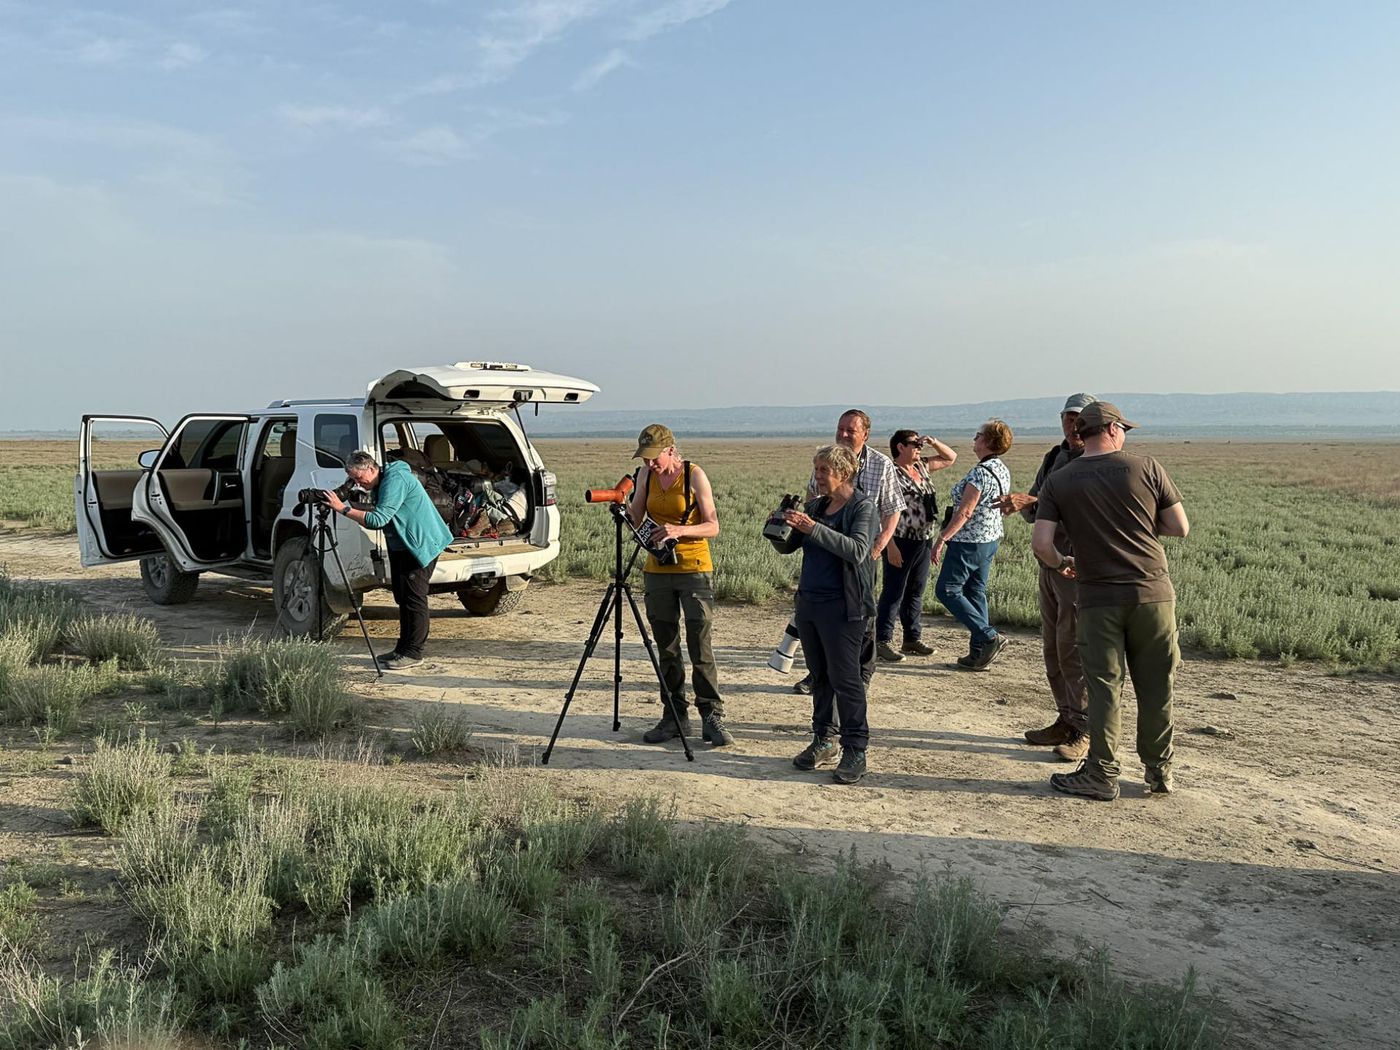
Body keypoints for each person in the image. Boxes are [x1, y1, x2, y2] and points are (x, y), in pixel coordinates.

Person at [1032, 402, 1190, 801]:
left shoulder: (1060, 479)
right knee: (1157, 686)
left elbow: (1041, 544)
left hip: (1098, 596)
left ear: (1081, 433)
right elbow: (1179, 527)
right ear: (1115, 429)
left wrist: (1064, 562)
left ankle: (1101, 773)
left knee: (1104, 688)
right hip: (1152, 594)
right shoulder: (1147, 467)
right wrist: (1135, 522)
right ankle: (1158, 772)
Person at [770, 443, 877, 784]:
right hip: (811, 603)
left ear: (844, 473)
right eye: (816, 469)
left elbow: (858, 551)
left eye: (823, 471)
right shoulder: (816, 506)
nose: (817, 476)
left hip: (845, 606)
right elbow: (788, 548)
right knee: (820, 678)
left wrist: (812, 528)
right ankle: (823, 739)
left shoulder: (862, 507)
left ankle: (855, 748)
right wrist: (779, 525)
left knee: (847, 680)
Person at [998, 393, 1097, 761]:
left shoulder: (1096, 460)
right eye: (1068, 418)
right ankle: (1065, 718)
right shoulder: (1055, 457)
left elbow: (1082, 509)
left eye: (1079, 418)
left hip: (1076, 565)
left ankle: (1084, 728)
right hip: (1050, 562)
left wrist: (1033, 502)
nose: (1073, 425)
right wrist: (1026, 504)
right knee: (1054, 647)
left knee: (1075, 649)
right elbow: (1038, 506)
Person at [625, 424, 731, 747]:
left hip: (694, 568)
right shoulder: (646, 477)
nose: (650, 465)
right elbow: (637, 515)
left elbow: (713, 525)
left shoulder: (694, 475)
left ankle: (711, 716)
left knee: (700, 642)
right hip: (657, 569)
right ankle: (673, 715)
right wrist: (622, 508)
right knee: (666, 643)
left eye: (654, 458)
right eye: (645, 460)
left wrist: (678, 531)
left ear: (670, 450)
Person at [793, 409, 901, 694]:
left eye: (850, 431)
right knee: (823, 622)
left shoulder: (881, 464)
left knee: (861, 616)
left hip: (863, 552)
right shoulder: (825, 461)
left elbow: (892, 510)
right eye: (840, 429)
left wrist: (878, 548)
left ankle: (861, 677)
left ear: (865, 434)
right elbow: (812, 499)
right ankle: (818, 674)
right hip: (826, 554)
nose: (842, 434)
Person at [325, 450, 452, 670]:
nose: (358, 484)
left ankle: (413, 653)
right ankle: (402, 650)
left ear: (372, 468)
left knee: (414, 598)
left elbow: (378, 519)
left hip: (420, 545)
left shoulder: (395, 480)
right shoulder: (380, 481)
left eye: (359, 478)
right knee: (403, 597)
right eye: (353, 480)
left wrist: (343, 509)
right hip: (403, 545)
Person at [932, 419, 1013, 671]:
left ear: (988, 441)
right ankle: (979, 653)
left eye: (978, 436)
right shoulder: (1001, 468)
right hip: (989, 539)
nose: (974, 440)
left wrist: (943, 537)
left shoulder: (980, 473)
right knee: (975, 591)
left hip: (968, 541)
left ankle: (988, 636)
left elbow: (965, 511)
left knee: (947, 590)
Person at [875, 430, 958, 662]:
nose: (920, 447)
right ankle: (882, 640)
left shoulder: (922, 466)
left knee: (916, 590)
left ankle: (912, 637)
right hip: (900, 538)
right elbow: (883, 511)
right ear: (900, 447)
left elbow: (951, 458)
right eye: (915, 443)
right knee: (894, 590)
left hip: (924, 538)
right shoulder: (890, 473)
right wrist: (889, 545)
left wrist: (933, 441)